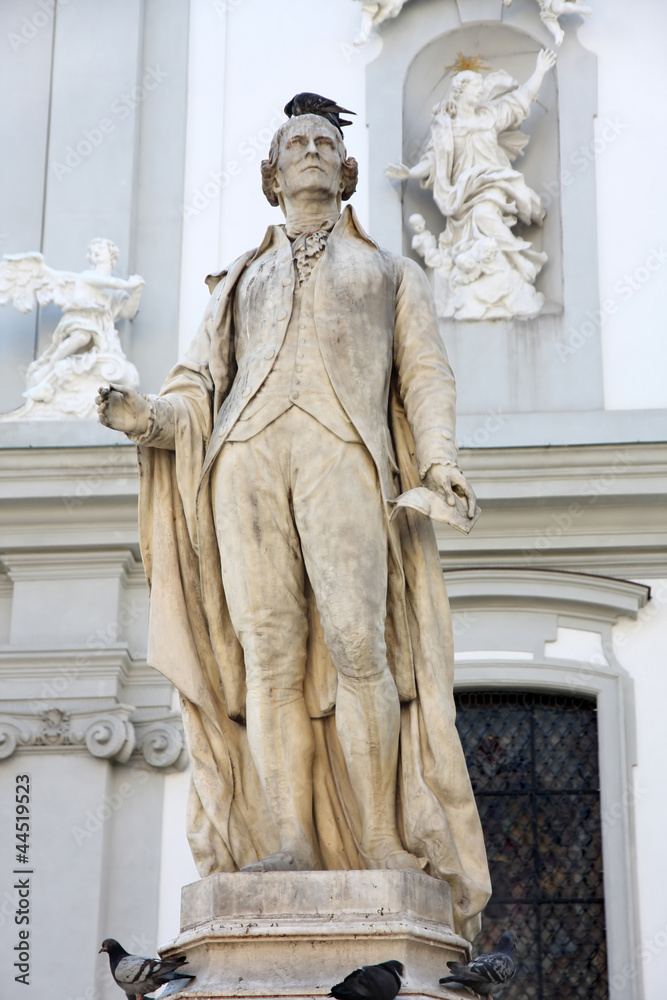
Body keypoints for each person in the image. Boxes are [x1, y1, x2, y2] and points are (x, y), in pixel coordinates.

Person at [97, 114, 491, 940]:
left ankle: (380, 837)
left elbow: (424, 374)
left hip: (343, 450)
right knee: (267, 656)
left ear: (346, 172)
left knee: (357, 644)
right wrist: (144, 417)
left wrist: (438, 459)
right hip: (243, 457)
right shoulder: (239, 281)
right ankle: (289, 839)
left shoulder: (389, 273)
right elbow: (196, 388)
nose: (310, 151)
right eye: (294, 145)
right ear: (270, 176)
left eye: (324, 144)